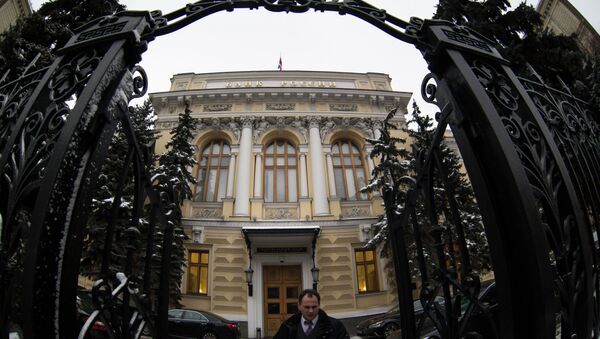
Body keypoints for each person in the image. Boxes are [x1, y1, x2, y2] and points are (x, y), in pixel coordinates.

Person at [274, 289, 350, 339]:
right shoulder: (287, 327)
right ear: (299, 306)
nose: (311, 311)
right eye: (307, 307)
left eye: (314, 307)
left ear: (319, 305)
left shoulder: (335, 326)